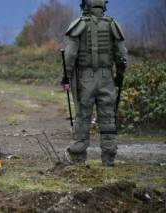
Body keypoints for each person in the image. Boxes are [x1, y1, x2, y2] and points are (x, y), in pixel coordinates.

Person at [62, 0, 127, 166]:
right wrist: (119, 75)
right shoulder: (112, 24)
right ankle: (108, 158)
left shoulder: (79, 25)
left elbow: (69, 55)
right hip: (107, 78)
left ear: (86, 6)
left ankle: (78, 158)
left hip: (85, 78)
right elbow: (122, 55)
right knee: (108, 117)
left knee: (83, 116)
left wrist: (66, 77)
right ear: (103, 6)